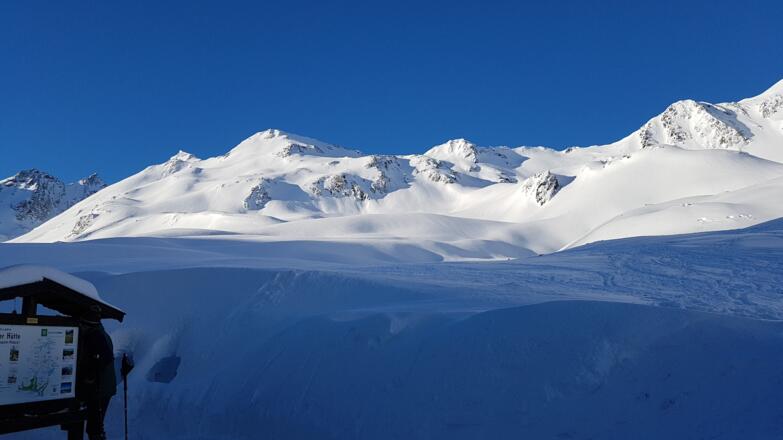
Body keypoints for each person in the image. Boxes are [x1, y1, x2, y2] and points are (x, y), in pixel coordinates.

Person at [79, 305, 117, 440]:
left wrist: (89, 376)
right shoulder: (100, 332)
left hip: (100, 388)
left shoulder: (93, 334)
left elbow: (105, 358)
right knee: (95, 424)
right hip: (103, 386)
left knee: (95, 425)